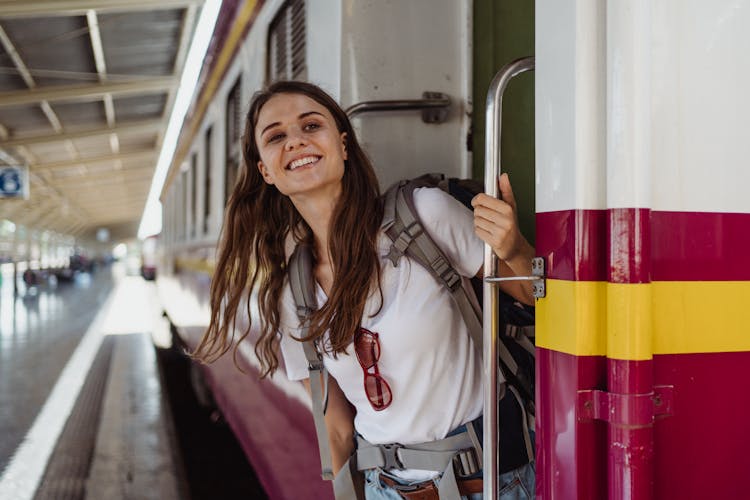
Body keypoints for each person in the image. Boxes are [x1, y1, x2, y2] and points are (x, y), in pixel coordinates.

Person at [195, 80, 536, 499]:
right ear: (265, 170)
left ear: (342, 144)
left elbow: (530, 293)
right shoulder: (292, 293)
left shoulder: (424, 216)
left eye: (311, 125)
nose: (296, 142)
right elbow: (336, 429)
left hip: (489, 483)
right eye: (276, 136)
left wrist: (515, 247)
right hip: (384, 491)